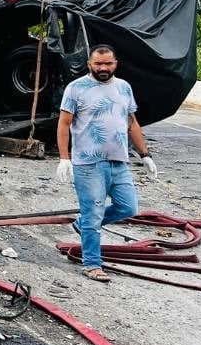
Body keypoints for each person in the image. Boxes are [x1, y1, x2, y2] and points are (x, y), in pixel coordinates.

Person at [56, 44, 158, 284]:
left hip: (119, 161)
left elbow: (131, 122)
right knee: (93, 214)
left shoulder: (124, 88)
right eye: (98, 64)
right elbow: (63, 124)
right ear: (89, 64)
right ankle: (92, 264)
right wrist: (64, 158)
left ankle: (82, 225)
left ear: (115, 63)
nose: (103, 68)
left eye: (108, 63)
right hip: (88, 164)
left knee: (128, 207)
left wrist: (145, 154)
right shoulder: (76, 88)